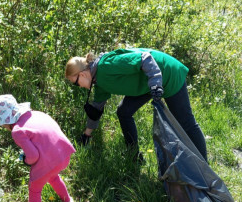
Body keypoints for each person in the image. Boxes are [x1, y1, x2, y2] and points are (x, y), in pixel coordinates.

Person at [65, 48, 208, 163]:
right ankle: (134, 156)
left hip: (166, 72)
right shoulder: (98, 80)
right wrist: (86, 135)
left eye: (76, 83)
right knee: (124, 111)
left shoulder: (106, 66)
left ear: (82, 74)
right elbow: (96, 109)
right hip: (149, 82)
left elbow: (144, 58)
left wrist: (155, 84)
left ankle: (205, 168)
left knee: (186, 122)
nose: (79, 86)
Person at [0, 94, 76, 202]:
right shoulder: (36, 114)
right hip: (63, 154)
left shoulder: (17, 131)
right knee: (53, 176)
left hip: (47, 164)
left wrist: (26, 160)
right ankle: (68, 201)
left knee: (34, 189)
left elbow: (34, 156)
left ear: (5, 121)